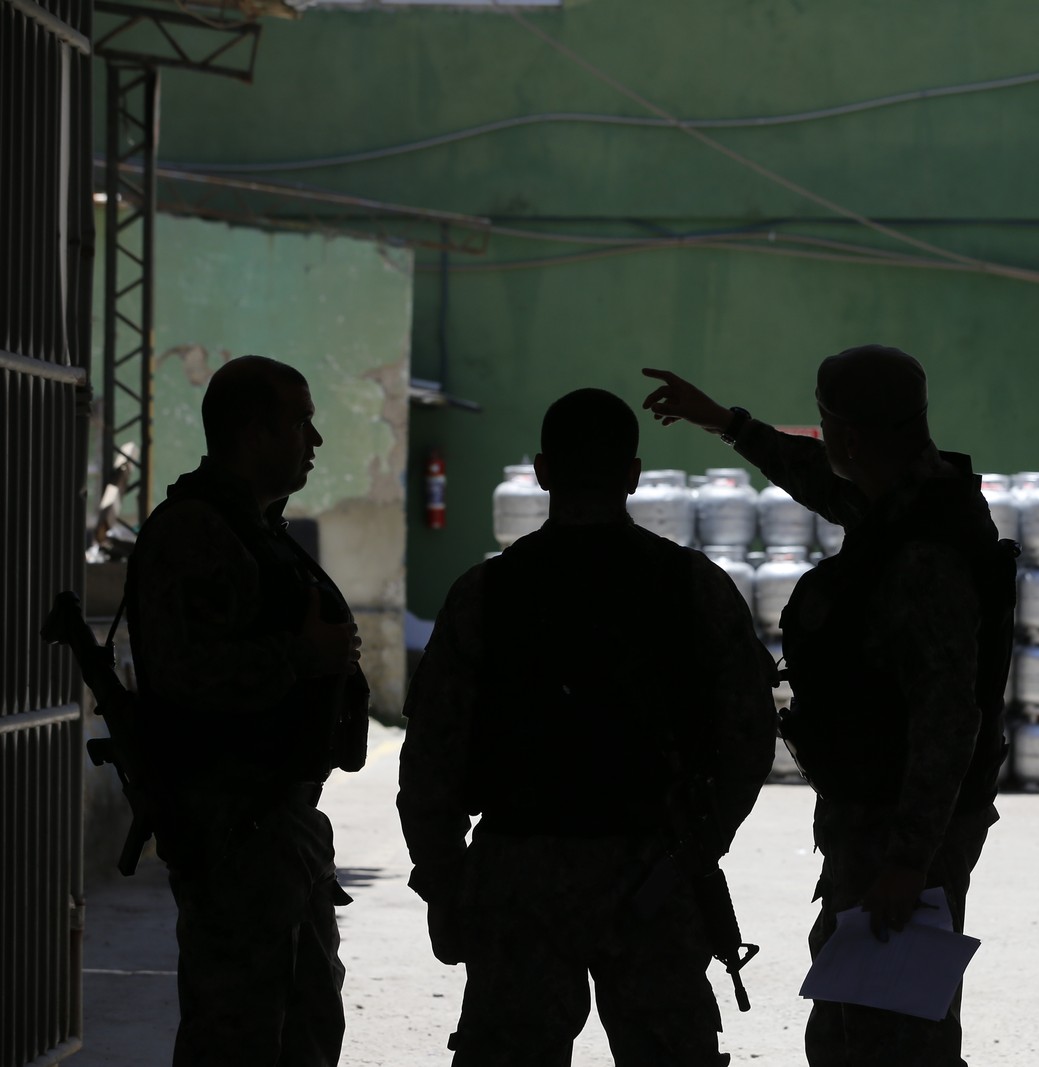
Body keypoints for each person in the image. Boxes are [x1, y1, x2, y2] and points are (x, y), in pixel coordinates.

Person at [642, 347, 1016, 1067]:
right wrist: (726, 422)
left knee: (892, 1036)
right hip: (882, 820)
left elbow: (949, 718)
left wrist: (910, 861)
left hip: (902, 829)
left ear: (846, 436)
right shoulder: (902, 500)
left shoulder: (924, 551)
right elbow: (817, 478)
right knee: (859, 1024)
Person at [397, 387, 776, 1067]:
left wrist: (445, 875)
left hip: (521, 874)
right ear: (632, 475)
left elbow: (432, 752)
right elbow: (749, 736)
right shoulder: (693, 586)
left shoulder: (485, 593)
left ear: (542, 472)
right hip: (651, 874)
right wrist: (698, 844)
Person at [125, 354, 369, 1066]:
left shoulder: (253, 529)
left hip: (280, 831)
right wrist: (303, 656)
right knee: (236, 1037)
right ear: (254, 433)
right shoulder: (195, 532)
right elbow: (185, 675)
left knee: (306, 1026)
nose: (314, 441)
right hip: (233, 833)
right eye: (301, 423)